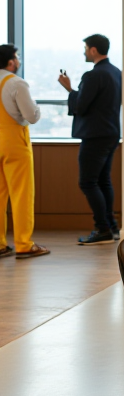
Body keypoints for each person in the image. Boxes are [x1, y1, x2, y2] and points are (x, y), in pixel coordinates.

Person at [57, 34, 122, 246]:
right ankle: (111, 226)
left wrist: (69, 88)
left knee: (87, 181)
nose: (84, 52)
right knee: (103, 180)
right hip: (111, 132)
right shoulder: (116, 73)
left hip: (95, 135)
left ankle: (102, 228)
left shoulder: (93, 75)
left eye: (86, 48)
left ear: (93, 50)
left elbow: (80, 106)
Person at [0, 44, 47, 259]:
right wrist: (37, 108)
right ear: (11, 62)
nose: (18, 61)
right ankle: (23, 244)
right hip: (14, 142)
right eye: (17, 57)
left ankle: (0, 244)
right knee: (21, 194)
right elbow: (31, 116)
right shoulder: (16, 83)